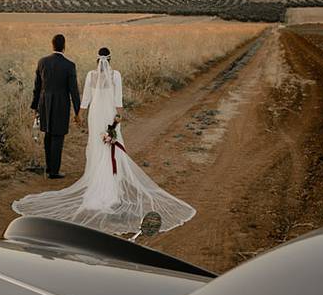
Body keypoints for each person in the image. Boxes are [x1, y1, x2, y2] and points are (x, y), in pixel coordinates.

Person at [13, 47, 196, 235]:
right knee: (111, 147)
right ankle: (110, 186)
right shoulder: (116, 75)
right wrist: (118, 118)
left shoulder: (91, 76)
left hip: (95, 115)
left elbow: (85, 100)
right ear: (110, 59)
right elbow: (118, 100)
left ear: (96, 60)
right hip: (109, 114)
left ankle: (95, 180)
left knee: (96, 146)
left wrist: (79, 116)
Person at [31, 34, 81, 179]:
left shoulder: (42, 62)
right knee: (58, 136)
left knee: (48, 134)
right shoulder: (69, 65)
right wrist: (77, 111)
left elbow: (37, 87)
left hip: (44, 103)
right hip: (61, 104)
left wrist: (35, 107)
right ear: (64, 46)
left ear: (52, 45)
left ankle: (49, 168)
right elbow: (74, 91)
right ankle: (54, 171)